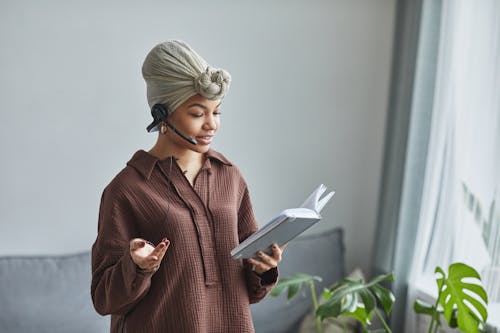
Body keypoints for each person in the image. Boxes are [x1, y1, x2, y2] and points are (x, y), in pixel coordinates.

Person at [90, 40, 286, 333]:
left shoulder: (229, 177)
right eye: (197, 114)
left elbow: (249, 292)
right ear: (162, 115)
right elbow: (104, 299)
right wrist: (138, 267)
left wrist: (263, 268)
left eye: (216, 112)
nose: (212, 125)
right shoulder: (127, 190)